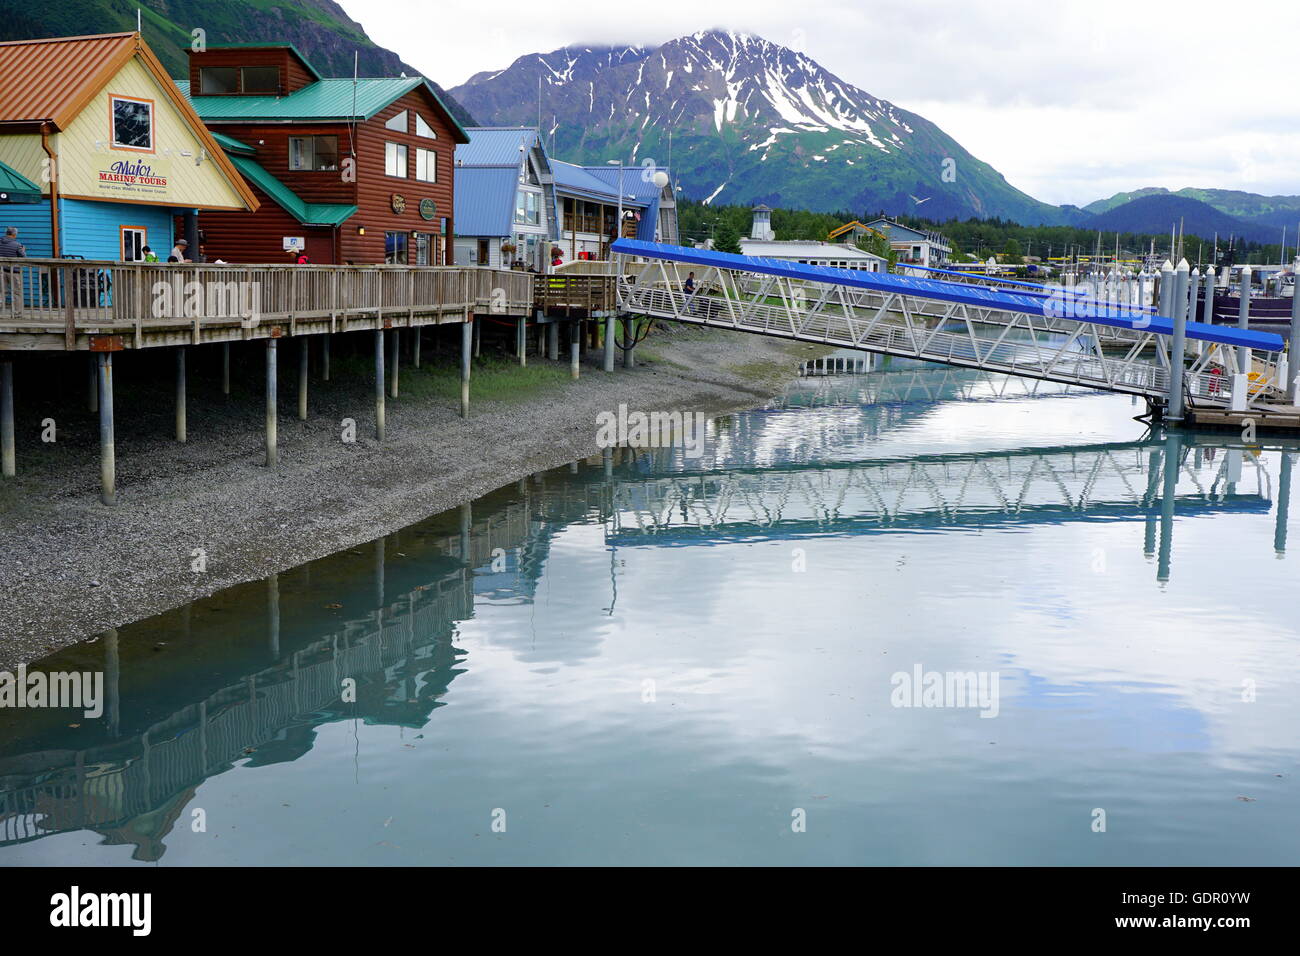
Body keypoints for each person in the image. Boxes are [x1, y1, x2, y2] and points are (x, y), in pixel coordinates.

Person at [0, 226, 25, 309]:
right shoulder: (17, 245)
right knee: (16, 293)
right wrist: (23, 250)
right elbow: (23, 257)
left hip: (1, 270)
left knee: (1, 292)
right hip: (14, 272)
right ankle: (17, 313)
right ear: (14, 235)